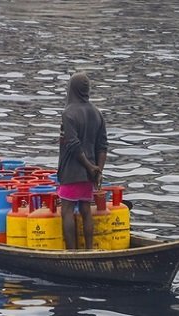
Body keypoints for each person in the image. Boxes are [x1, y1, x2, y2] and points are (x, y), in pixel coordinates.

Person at [57, 72, 108, 249]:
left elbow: (73, 145)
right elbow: (102, 146)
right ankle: (88, 250)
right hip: (89, 175)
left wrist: (89, 166)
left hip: (72, 171)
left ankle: (72, 253)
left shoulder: (68, 113)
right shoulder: (97, 113)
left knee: (67, 210)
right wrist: (97, 170)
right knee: (86, 209)